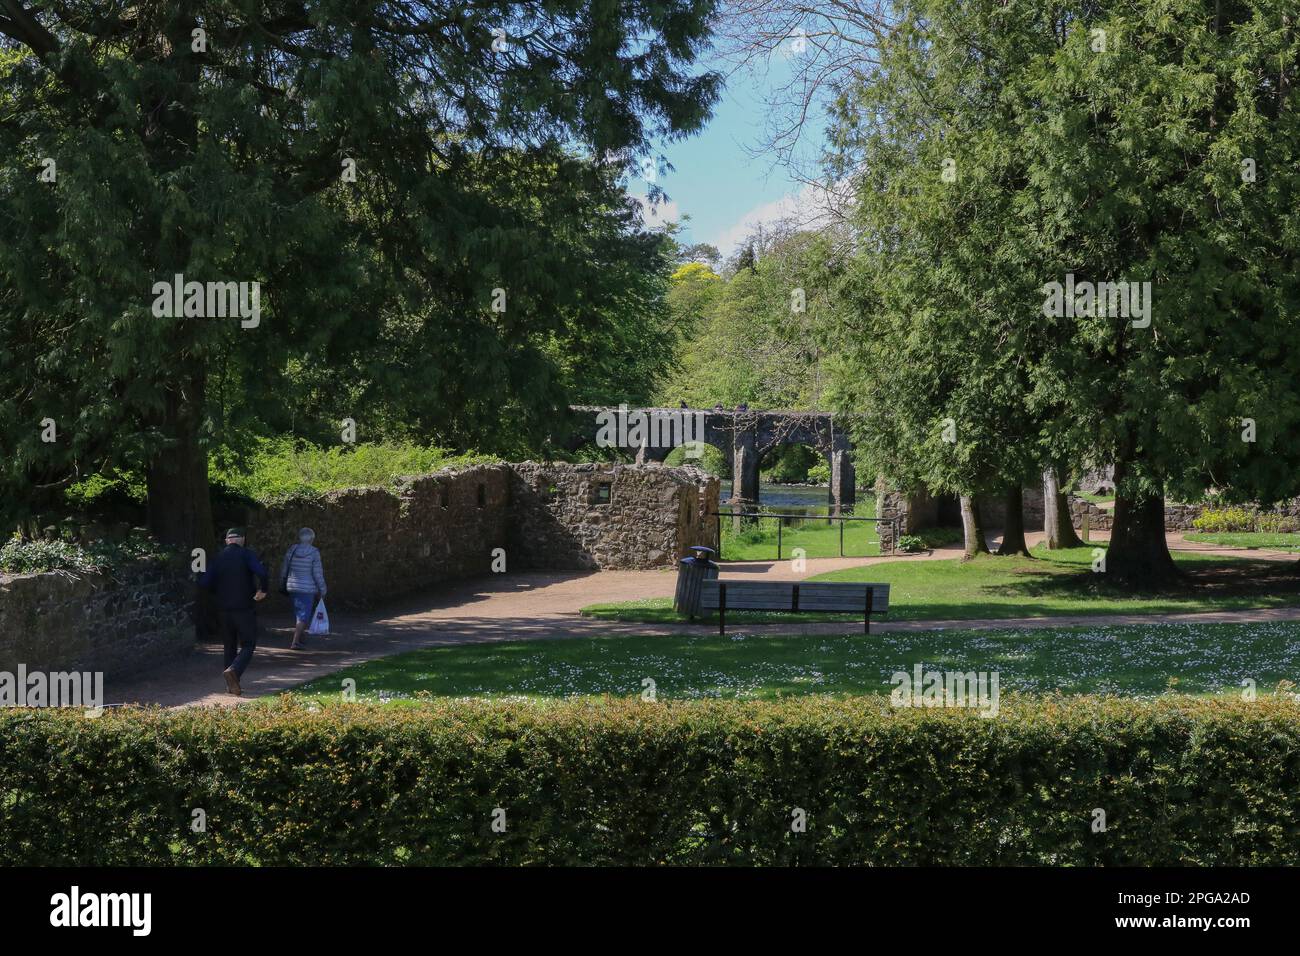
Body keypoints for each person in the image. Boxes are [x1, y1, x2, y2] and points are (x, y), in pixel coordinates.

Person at [198, 527, 269, 696]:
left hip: (223, 609)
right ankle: (234, 670)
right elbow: (262, 573)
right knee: (248, 644)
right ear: (242, 539)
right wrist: (263, 590)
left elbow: (204, 582)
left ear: (227, 541)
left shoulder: (217, 557)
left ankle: (231, 685)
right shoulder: (246, 554)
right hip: (244, 607)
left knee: (229, 646)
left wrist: (218, 592)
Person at [280, 527, 327, 650]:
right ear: (312, 538)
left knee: (299, 614)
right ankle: (295, 642)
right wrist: (323, 589)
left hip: (292, 586)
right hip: (307, 588)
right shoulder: (314, 552)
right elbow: (317, 573)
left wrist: (282, 582)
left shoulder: (292, 549)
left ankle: (301, 637)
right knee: (303, 615)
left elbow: (284, 568)